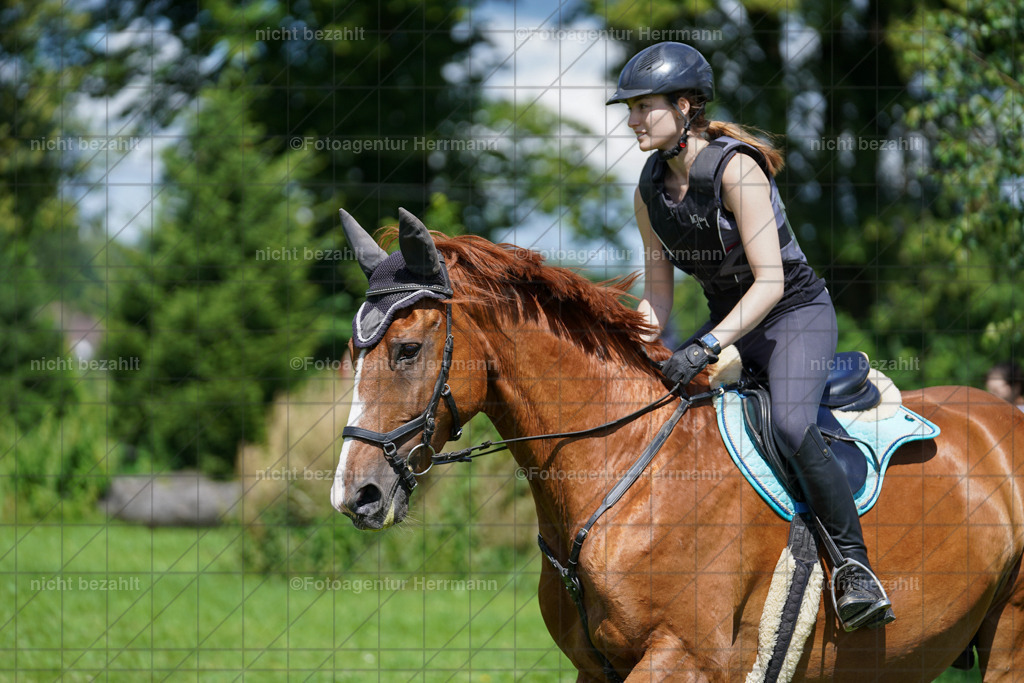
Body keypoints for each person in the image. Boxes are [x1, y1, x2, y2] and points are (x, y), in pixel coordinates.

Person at [607, 42, 893, 631]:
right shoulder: (647, 191)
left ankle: (854, 568)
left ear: (684, 107)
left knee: (790, 422)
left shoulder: (737, 168)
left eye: (643, 106)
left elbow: (770, 281)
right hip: (729, 324)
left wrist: (709, 346)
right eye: (629, 108)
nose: (631, 119)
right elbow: (659, 297)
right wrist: (627, 337)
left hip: (792, 316)